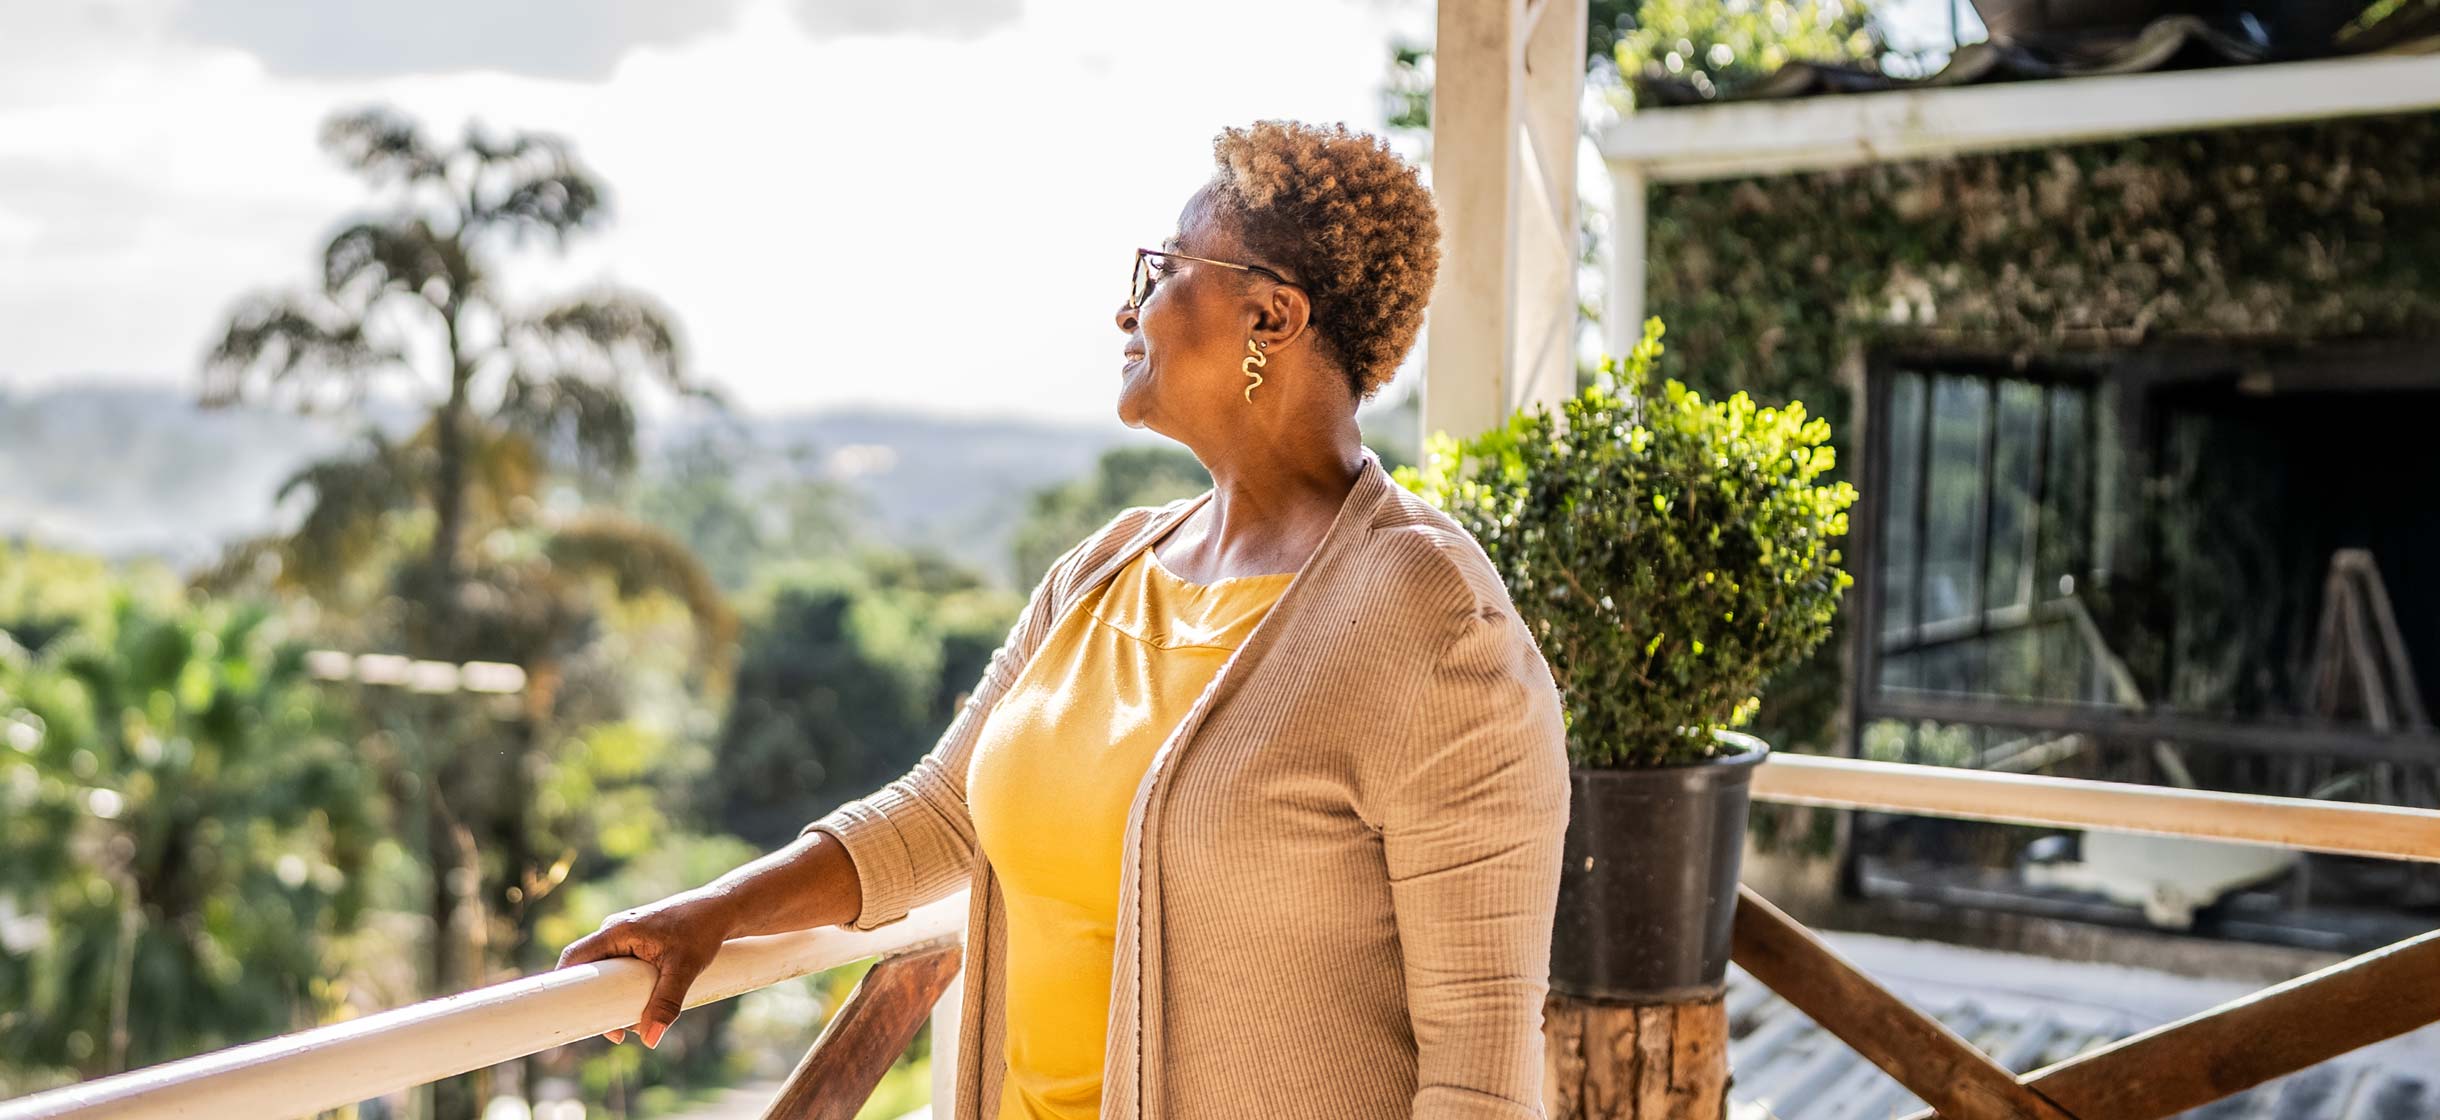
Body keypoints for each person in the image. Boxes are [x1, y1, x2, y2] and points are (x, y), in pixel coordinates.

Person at [558, 119, 1570, 1120]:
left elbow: (1480, 1067)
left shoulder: (1435, 625)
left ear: (1272, 315)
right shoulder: (1105, 570)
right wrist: (716, 912)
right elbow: (943, 811)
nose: (1125, 310)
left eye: (1161, 269)